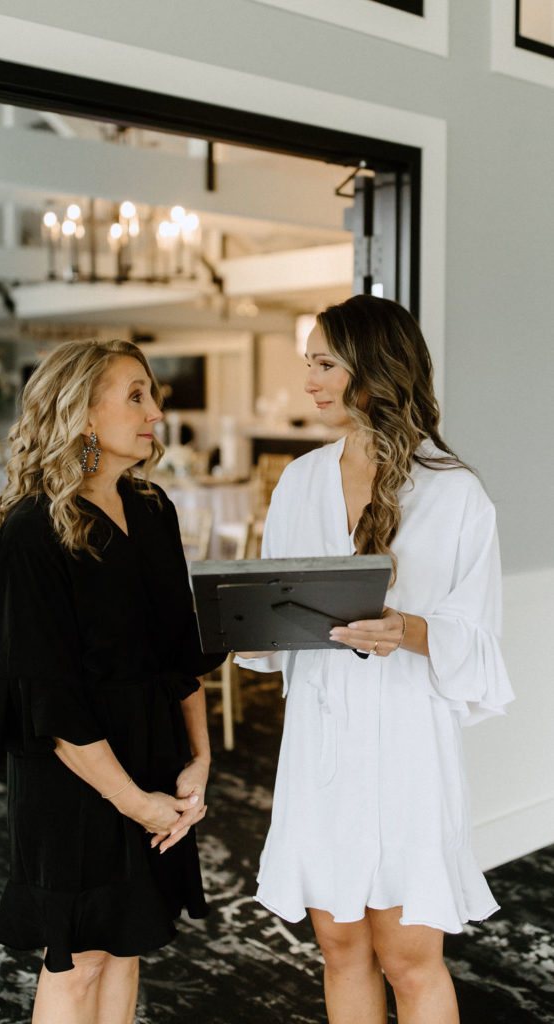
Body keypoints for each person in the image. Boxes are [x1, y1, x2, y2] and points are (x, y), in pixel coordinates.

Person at [236, 295, 514, 1024]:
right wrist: (247, 624)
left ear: (373, 367)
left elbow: (478, 638)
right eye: (308, 365)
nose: (310, 381)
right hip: (321, 747)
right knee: (337, 945)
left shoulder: (455, 493)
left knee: (407, 956)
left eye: (324, 363)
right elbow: (281, 610)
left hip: (405, 746)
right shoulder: (297, 481)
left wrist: (407, 629)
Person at [0, 339, 223, 1024]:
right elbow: (50, 704)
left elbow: (178, 652)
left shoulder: (153, 508)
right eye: (135, 394)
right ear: (79, 412)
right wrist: (135, 804)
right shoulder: (33, 530)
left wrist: (199, 759)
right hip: (75, 777)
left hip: (152, 754)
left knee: (128, 942)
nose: (155, 411)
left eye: (151, 392)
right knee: (79, 958)